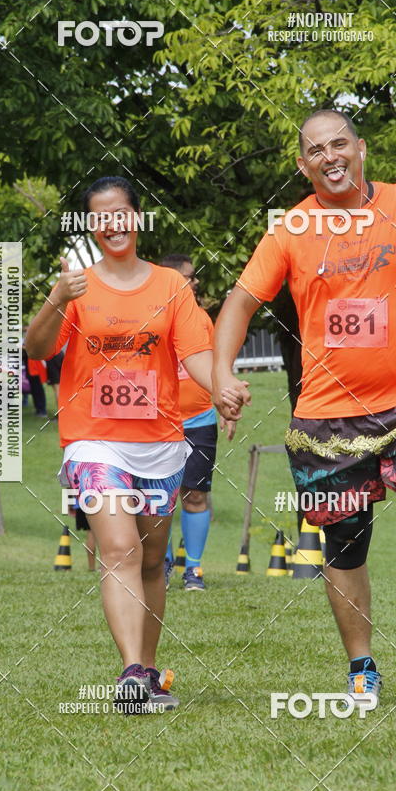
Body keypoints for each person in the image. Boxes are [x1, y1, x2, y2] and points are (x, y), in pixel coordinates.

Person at [213, 108, 396, 712]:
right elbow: (239, 303)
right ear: (303, 164)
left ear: (360, 148)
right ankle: (361, 667)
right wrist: (221, 374)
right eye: (316, 150)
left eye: (339, 143)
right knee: (346, 544)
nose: (329, 156)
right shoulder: (289, 228)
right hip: (327, 417)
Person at [26, 176, 232, 713]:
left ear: (137, 219)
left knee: (152, 561)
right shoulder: (76, 287)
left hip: (161, 443)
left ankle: (147, 673)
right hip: (94, 443)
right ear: (91, 226)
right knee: (119, 550)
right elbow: (38, 346)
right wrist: (53, 300)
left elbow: (195, 358)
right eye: (101, 216)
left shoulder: (171, 286)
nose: (113, 224)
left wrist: (223, 386)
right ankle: (132, 673)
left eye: (121, 213)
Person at [160, 253, 227, 591]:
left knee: (195, 495)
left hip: (199, 420)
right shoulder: (151, 318)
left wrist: (226, 404)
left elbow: (216, 367)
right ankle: (162, 564)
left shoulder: (202, 319)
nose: (195, 281)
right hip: (157, 422)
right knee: (159, 498)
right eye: (189, 276)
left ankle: (194, 570)